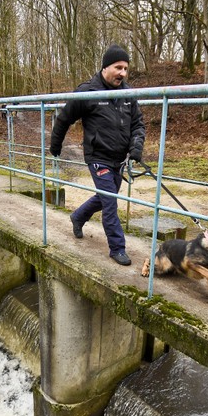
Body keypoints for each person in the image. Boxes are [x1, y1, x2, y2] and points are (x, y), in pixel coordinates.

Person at [50, 44, 146, 266]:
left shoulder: (128, 94)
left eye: (126, 68)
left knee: (105, 197)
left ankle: (78, 216)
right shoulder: (88, 91)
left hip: (119, 158)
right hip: (97, 157)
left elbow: (138, 125)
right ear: (105, 68)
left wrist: (136, 148)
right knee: (110, 201)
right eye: (118, 67)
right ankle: (117, 248)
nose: (122, 73)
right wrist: (56, 145)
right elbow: (64, 118)